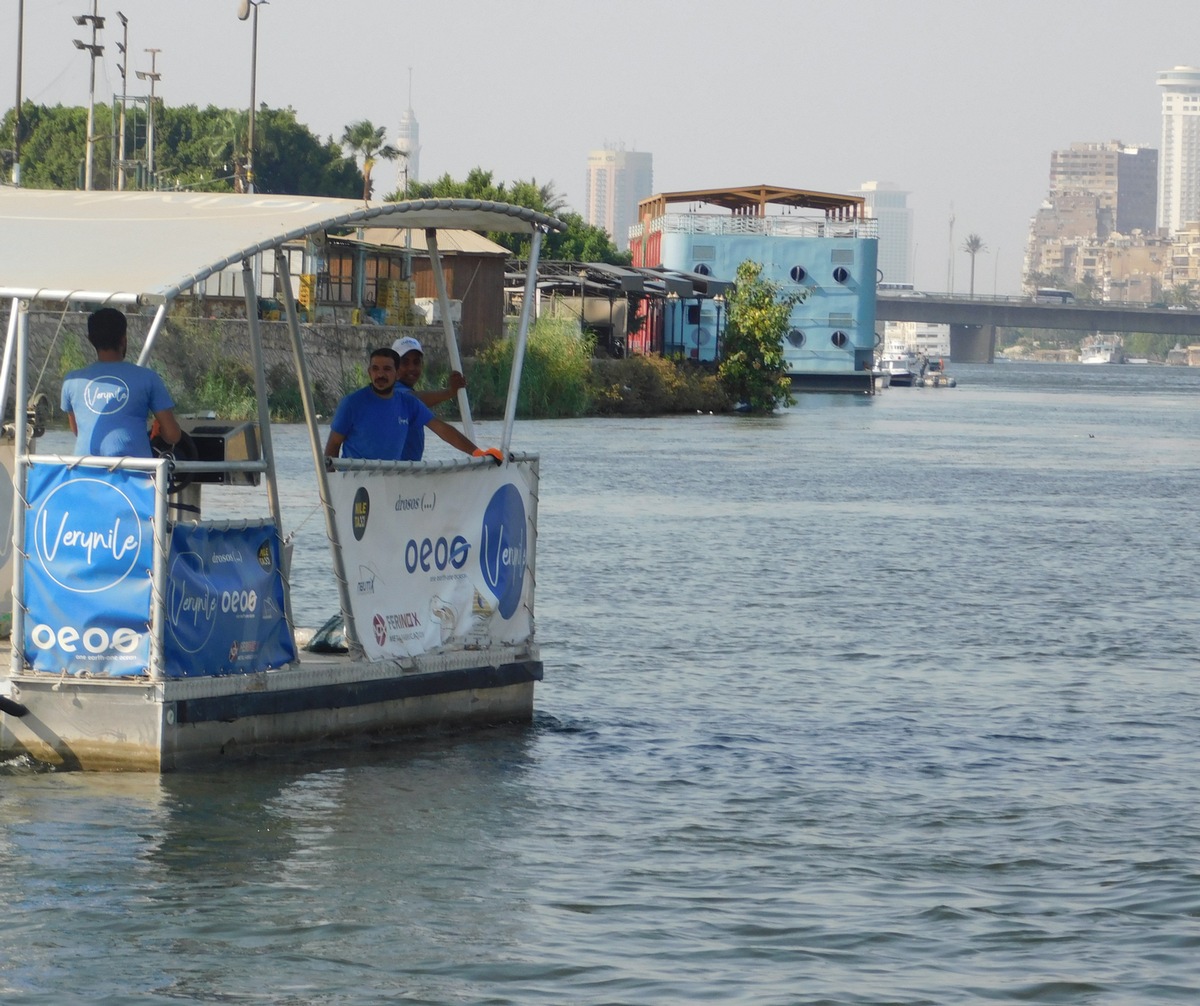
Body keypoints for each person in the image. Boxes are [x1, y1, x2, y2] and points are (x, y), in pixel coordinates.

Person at [324, 347, 501, 463]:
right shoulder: (352, 403)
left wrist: (478, 453)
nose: (380, 375)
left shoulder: (408, 404)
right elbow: (333, 444)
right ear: (369, 372)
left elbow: (443, 430)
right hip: (355, 485)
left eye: (387, 369)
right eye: (376, 369)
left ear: (396, 372)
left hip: (392, 483)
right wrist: (331, 482)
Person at [61, 307, 182, 458]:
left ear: (90, 339)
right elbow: (172, 435)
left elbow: (77, 431)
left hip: (86, 473)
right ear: (124, 339)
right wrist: (160, 430)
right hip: (133, 477)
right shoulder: (148, 378)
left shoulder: (72, 381)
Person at [391, 335, 467, 462]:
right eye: (405, 362)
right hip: (392, 474)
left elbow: (444, 431)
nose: (411, 368)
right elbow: (413, 399)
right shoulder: (393, 392)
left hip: (408, 473)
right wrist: (450, 392)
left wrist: (478, 453)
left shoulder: (407, 396)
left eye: (416, 362)